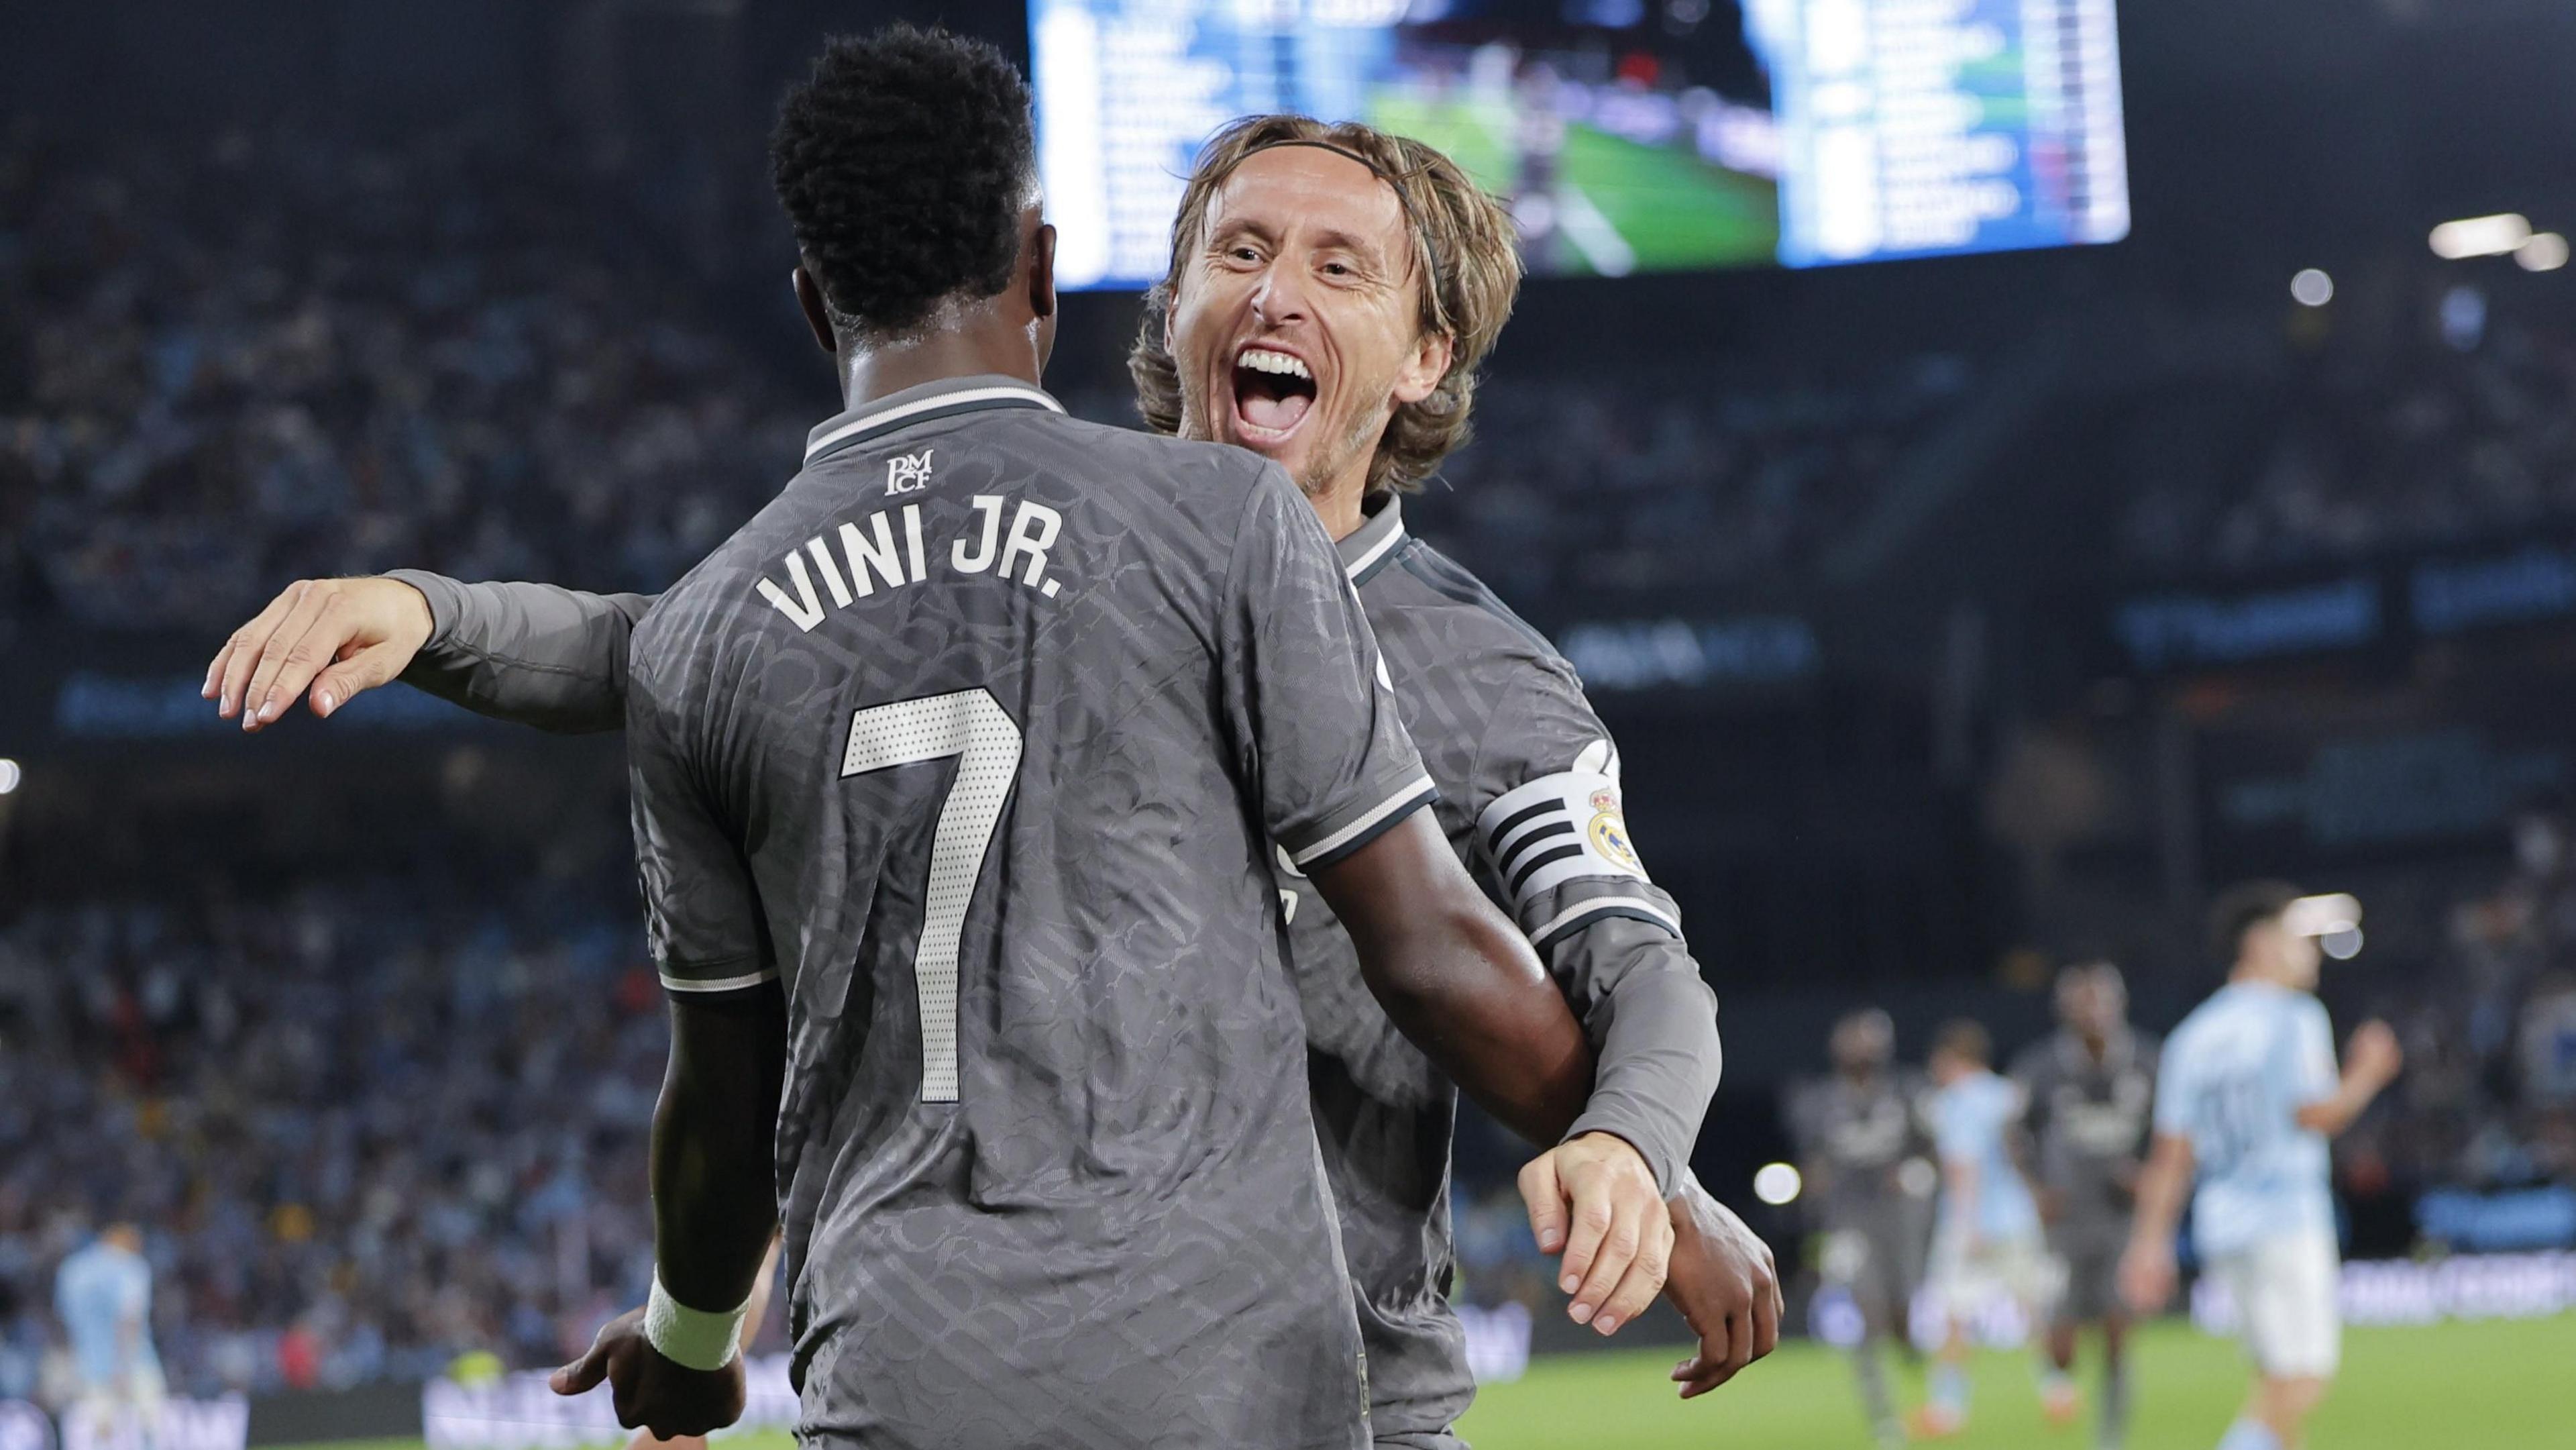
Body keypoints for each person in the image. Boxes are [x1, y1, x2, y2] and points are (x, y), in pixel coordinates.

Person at [203, 111, 1776, 1447]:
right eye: (1233, 253)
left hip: (1338, 1395)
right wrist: (433, 614)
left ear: (1424, 355)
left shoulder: (1483, 675)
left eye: (1334, 266)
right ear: (1163, 309)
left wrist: (1642, 1151)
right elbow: (687, 643)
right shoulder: (1056, 559)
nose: (1269, 293)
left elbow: (1632, 961)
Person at [2121, 882, 2404, 1450]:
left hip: (2223, 1223)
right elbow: (2317, 1112)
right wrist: (2369, 1072)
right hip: (2287, 1218)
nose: (2313, 953)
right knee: (2303, 1378)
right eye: (2302, 939)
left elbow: (2173, 1153)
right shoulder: (2293, 1015)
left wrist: (2149, 1243)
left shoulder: (2192, 1036)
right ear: (2259, 942)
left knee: (2273, 1379)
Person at [2012, 962, 2158, 1450]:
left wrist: (2148, 1175)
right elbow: (2012, 1134)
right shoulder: (2040, 1067)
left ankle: (2110, 1436)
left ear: (2120, 1003)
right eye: (2082, 1002)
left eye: (2102, 999)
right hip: (2065, 1219)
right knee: (2062, 1342)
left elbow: (2178, 1132)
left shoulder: (2148, 1061)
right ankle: (2055, 1378)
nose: (2094, 1011)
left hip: (2122, 1219)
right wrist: (2035, 1190)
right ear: (2064, 1011)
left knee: (2118, 1329)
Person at [1784, 1008, 1929, 1450]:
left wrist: (1915, 1174)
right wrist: (1813, 1206)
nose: (1860, 1049)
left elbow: (1932, 1152)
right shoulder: (1817, 1101)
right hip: (1848, 1219)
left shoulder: (1907, 1091)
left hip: (1899, 1215)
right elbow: (1812, 1164)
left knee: (1902, 1311)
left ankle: (1912, 1349)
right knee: (1867, 1313)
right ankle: (1884, 1417)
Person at [1912, 1019, 2049, 1441]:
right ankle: (2058, 1391)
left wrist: (1967, 1224)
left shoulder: (1954, 1102)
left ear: (1950, 1059)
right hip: (2020, 1217)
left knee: (1954, 1317)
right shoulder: (2007, 1095)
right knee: (2035, 1310)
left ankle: (1947, 1409)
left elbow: (1963, 1165)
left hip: (1973, 1222)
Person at [54, 1224, 163, 1449]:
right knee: (151, 1426)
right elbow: (129, 1319)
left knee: (102, 1431)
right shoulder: (131, 1266)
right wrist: (123, 1366)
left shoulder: (72, 1268)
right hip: (134, 1361)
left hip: (89, 1363)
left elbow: (61, 1320)